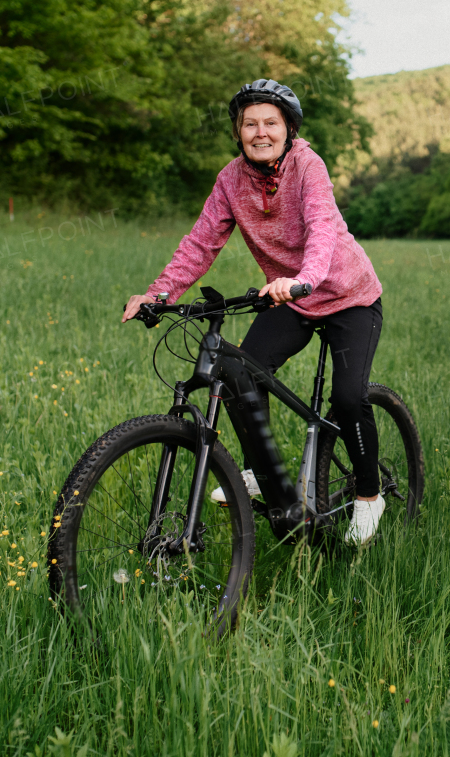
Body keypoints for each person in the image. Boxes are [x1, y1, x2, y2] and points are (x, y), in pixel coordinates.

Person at [122, 79, 387, 545]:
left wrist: (303, 276)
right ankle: (258, 475)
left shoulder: (308, 165)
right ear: (238, 131)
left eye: (270, 122)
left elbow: (322, 226)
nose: (260, 132)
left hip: (347, 295)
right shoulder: (230, 180)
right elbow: (201, 242)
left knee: (348, 399)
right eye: (250, 124)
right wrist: (158, 294)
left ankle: (369, 496)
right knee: (242, 371)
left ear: (288, 129)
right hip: (290, 298)